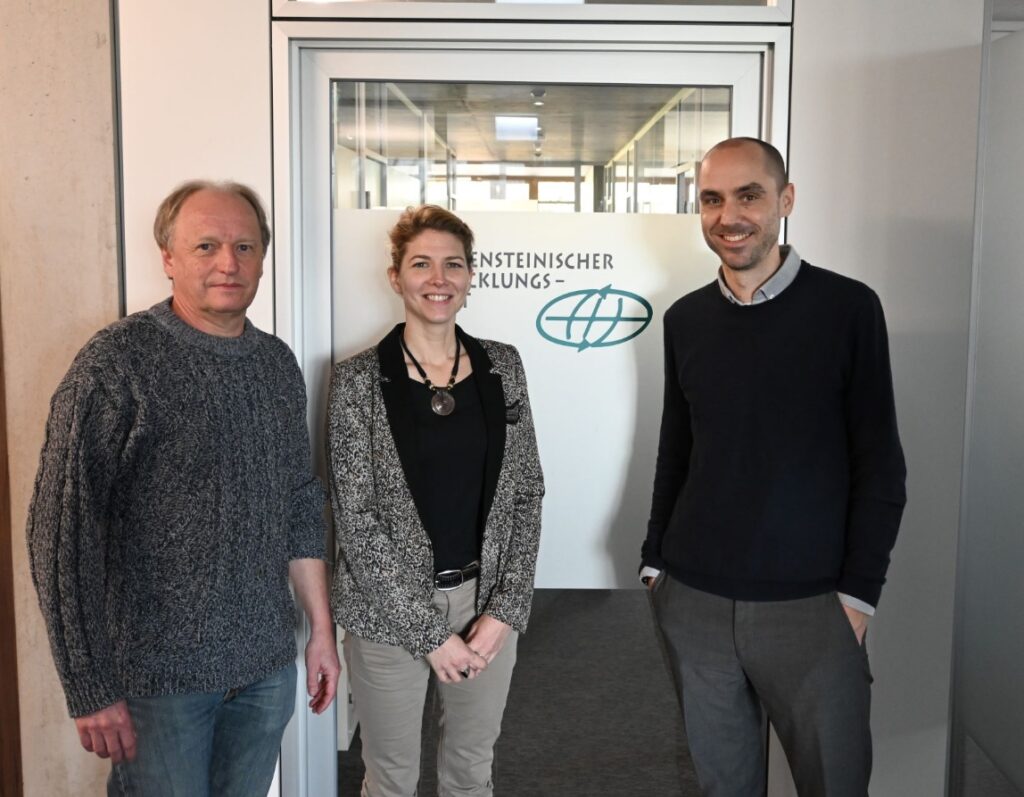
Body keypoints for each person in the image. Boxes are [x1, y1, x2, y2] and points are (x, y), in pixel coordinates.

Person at [27, 180, 340, 796]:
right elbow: (61, 534)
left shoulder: (276, 364)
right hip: (157, 685)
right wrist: (88, 686)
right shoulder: (117, 363)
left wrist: (321, 633)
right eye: (206, 245)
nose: (229, 262)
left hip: (263, 671)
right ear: (168, 258)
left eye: (246, 247)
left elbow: (300, 503)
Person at [640, 138, 907, 796]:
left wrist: (858, 594)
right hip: (695, 600)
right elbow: (677, 445)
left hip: (813, 606)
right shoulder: (685, 320)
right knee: (721, 784)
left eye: (748, 195)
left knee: (834, 783)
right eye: (711, 199)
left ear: (785, 201)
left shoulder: (848, 309)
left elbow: (881, 462)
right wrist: (655, 562)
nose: (728, 215)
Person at [327, 205, 544, 797]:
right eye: (421, 264)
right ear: (396, 277)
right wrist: (430, 634)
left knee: (472, 774)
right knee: (392, 779)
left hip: (485, 608)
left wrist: (506, 609)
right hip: (386, 615)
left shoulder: (504, 366)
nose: (438, 278)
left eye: (453, 264)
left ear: (470, 276)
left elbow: (526, 491)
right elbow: (357, 519)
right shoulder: (356, 381)